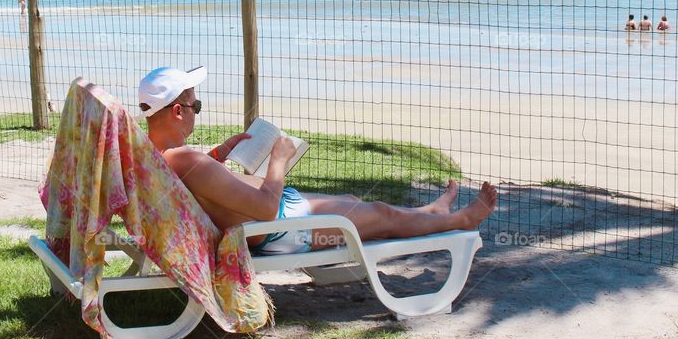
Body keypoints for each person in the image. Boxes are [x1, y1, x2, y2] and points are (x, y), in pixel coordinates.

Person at [138, 66, 498, 256]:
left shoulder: (157, 159)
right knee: (383, 218)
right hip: (281, 231)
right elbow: (264, 208)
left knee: (363, 206)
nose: (198, 112)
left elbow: (200, 186)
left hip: (284, 218)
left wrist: (218, 155)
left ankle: (431, 213)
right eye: (195, 105)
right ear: (177, 112)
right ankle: (459, 221)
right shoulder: (187, 161)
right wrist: (278, 159)